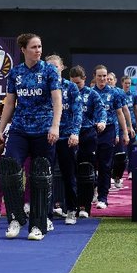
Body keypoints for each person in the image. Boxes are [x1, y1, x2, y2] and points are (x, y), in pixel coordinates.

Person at [0, 33, 62, 241]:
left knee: (41, 175)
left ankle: (38, 224)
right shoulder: (15, 73)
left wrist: (55, 127)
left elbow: (57, 101)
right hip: (20, 129)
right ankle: (15, 218)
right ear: (23, 49)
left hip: (44, 130)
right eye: (34, 47)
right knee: (9, 168)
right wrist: (0, 129)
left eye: (40, 46)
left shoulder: (50, 71)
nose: (38, 50)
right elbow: (9, 103)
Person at [45, 55, 83, 225]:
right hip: (47, 137)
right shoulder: (43, 87)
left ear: (62, 67)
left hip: (67, 137)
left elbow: (78, 112)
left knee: (69, 175)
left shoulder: (70, 87)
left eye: (55, 66)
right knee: (45, 176)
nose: (53, 69)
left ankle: (71, 210)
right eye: (49, 66)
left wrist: (75, 133)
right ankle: (46, 213)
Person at [89, 65, 129, 210]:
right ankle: (91, 191)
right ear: (94, 76)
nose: (102, 78)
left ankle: (103, 198)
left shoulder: (114, 93)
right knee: (91, 164)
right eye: (99, 76)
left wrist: (125, 132)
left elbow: (120, 113)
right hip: (91, 131)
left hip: (108, 131)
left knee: (105, 166)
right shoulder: (89, 93)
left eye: (104, 76)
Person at [69, 65, 106, 219]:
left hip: (87, 134)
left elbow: (101, 110)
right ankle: (69, 205)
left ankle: (85, 206)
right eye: (72, 83)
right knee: (70, 171)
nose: (75, 86)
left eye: (78, 83)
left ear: (84, 79)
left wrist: (102, 121)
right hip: (69, 135)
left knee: (86, 171)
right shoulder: (65, 92)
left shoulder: (92, 94)